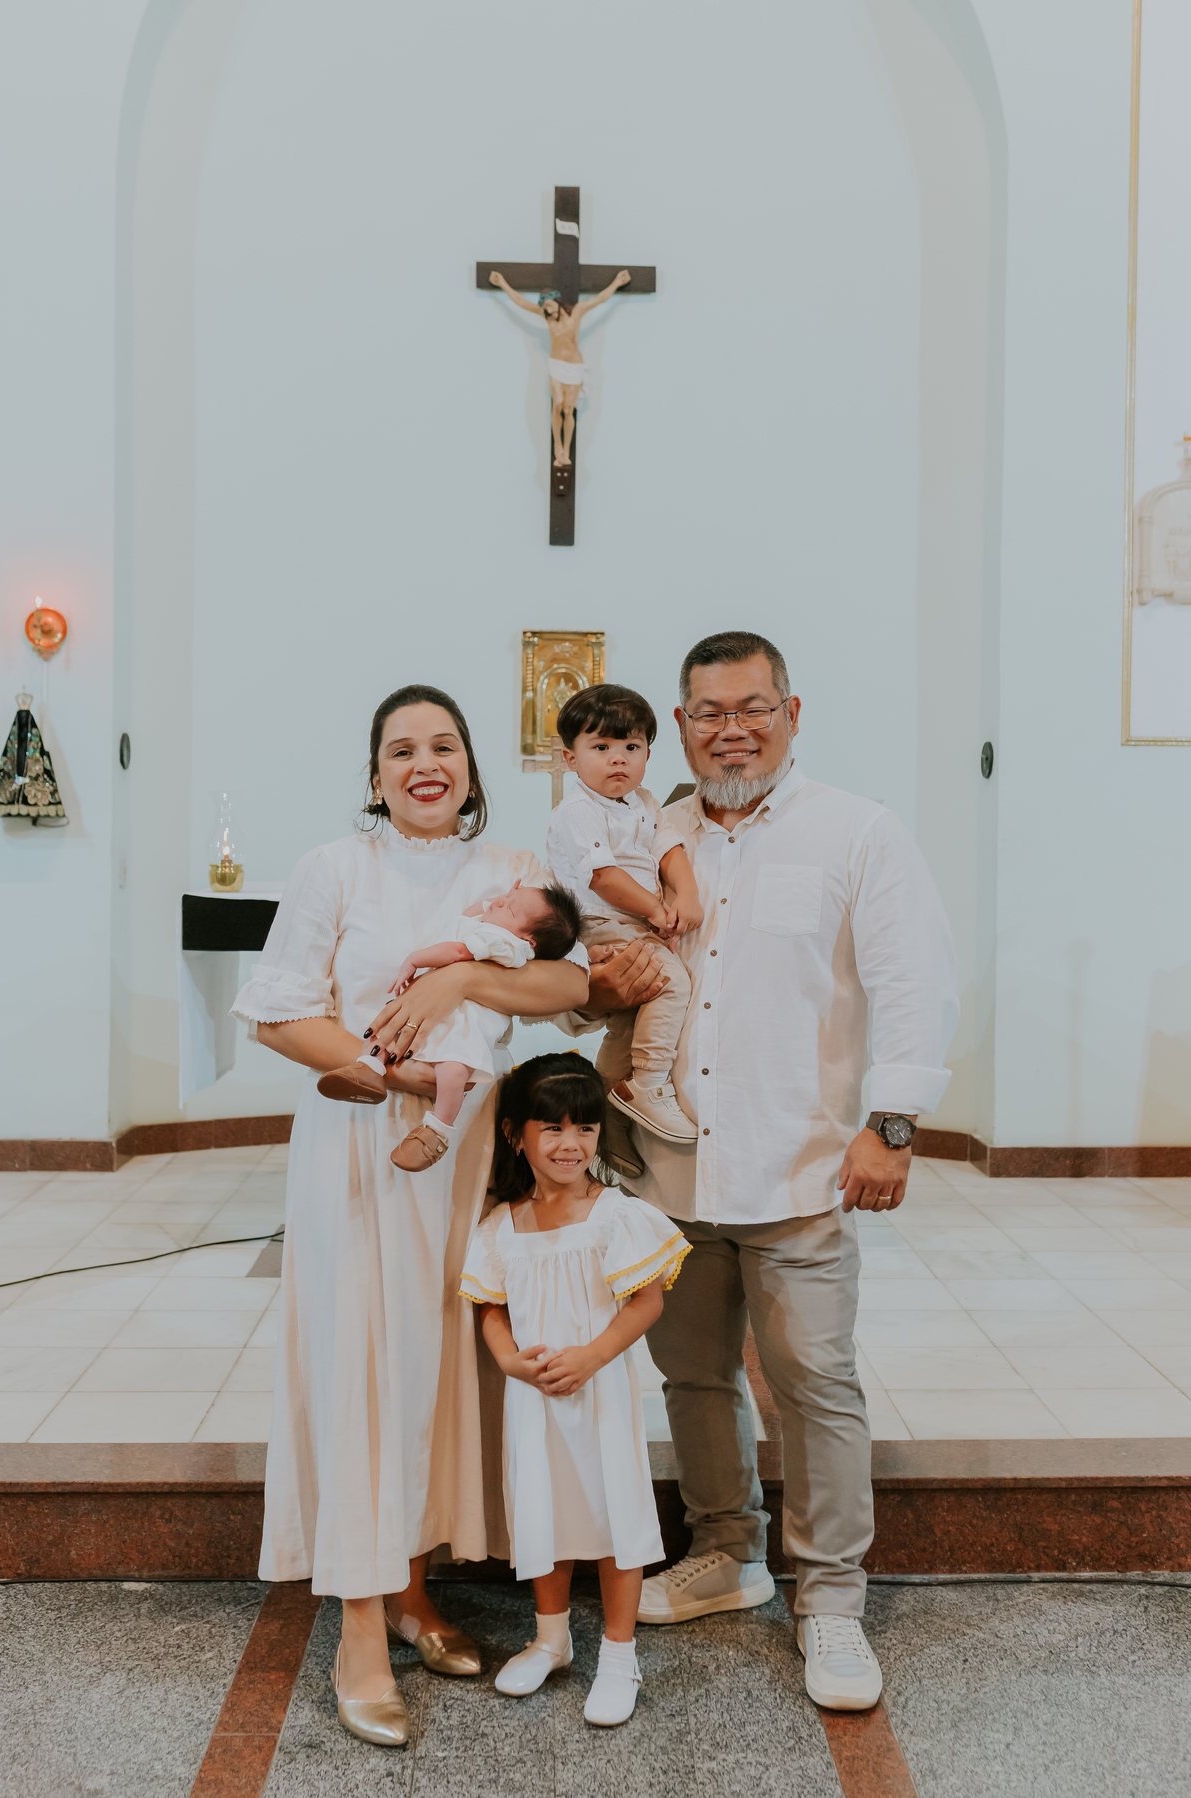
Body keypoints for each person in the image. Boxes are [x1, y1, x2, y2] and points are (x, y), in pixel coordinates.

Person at [568, 631, 959, 1713]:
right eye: (707, 711)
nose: (730, 727)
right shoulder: (650, 833)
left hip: (800, 1165)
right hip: (667, 1173)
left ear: (793, 709)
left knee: (813, 1382)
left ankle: (831, 1596)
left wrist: (894, 1121)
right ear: (679, 724)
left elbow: (914, 977)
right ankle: (726, 1552)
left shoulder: (856, 832)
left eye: (752, 706)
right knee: (692, 1374)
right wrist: (595, 985)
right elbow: (594, 967)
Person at [231, 684, 588, 1748]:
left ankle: (414, 1591)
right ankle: (354, 1626)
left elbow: (571, 982)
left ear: (472, 767)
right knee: (361, 1375)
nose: (424, 763)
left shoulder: (511, 869)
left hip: (468, 1157)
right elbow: (278, 1010)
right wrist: (401, 1079)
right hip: (363, 1151)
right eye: (401, 749)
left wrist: (462, 979)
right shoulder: (335, 869)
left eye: (443, 745)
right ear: (376, 773)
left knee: (436, 1374)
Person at [461, 1054, 690, 1727]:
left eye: (584, 1129)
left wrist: (591, 1356)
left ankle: (619, 1656)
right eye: (552, 1128)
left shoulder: (614, 1215)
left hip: (599, 1395)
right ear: (515, 1135)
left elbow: (646, 1302)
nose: (570, 1145)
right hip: (534, 1400)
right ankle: (551, 1638)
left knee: (613, 1512)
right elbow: (490, 1306)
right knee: (545, 1509)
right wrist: (508, 1361)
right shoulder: (502, 1223)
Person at [314, 879, 581, 1171]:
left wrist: (415, 960)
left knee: (453, 1070)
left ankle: (438, 1128)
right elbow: (471, 912)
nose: (499, 901)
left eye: (511, 908)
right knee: (388, 1025)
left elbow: (456, 952)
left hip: (463, 1024)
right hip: (438, 1012)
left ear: (530, 940)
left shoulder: (507, 944)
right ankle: (368, 1069)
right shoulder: (490, 926)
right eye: (505, 896)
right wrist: (509, 900)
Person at [547, 683, 702, 1144]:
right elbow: (604, 878)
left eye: (631, 747)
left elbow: (667, 848)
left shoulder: (644, 802)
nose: (619, 758)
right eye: (602, 747)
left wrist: (687, 894)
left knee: (632, 1018)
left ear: (648, 755)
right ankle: (648, 1085)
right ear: (570, 758)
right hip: (599, 923)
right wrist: (657, 909)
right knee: (671, 984)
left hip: (634, 920)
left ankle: (607, 1119)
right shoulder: (577, 809)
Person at [488, 268, 631, 466]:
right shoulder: (546, 317)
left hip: (574, 366)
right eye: (544, 307)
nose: (547, 310)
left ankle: (566, 450)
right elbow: (521, 302)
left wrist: (616, 283)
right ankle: (558, 448)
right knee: (557, 405)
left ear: (556, 300)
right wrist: (503, 284)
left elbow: (599, 299)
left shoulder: (577, 312)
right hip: (556, 365)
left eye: (549, 304)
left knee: (568, 408)